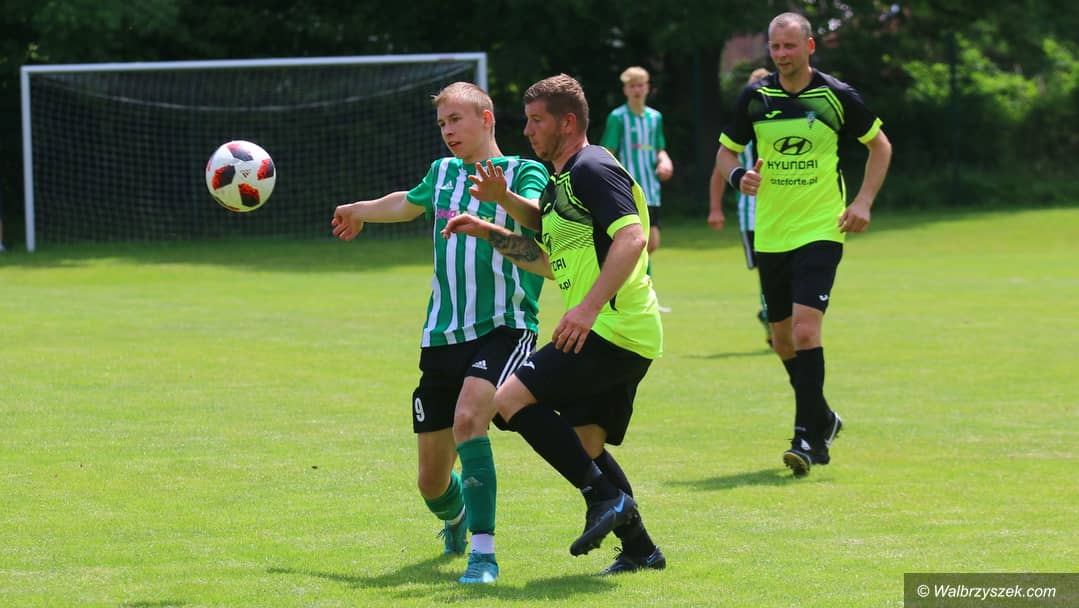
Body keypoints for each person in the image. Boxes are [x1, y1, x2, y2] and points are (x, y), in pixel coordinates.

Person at [443, 73, 666, 575]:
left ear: (567, 122)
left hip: (611, 327)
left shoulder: (592, 167)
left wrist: (587, 308)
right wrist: (494, 220)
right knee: (585, 444)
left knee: (508, 401)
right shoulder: (561, 184)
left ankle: (604, 498)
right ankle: (641, 549)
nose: (527, 130)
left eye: (536, 120)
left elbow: (632, 238)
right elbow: (546, 257)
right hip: (620, 330)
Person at [331, 82, 550, 584]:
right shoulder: (443, 172)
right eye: (442, 123)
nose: (448, 131)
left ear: (486, 119)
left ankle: (484, 555)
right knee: (431, 482)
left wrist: (502, 197)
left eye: (456, 120)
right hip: (441, 335)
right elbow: (407, 203)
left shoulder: (523, 171)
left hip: (504, 326)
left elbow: (540, 222)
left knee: (470, 420)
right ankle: (456, 516)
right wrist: (359, 210)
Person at [714, 12, 892, 477]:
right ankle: (823, 416)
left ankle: (806, 438)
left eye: (789, 46)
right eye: (775, 47)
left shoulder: (835, 95)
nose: (781, 54)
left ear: (810, 47)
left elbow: (880, 146)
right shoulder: (756, 97)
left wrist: (863, 202)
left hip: (821, 228)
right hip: (772, 232)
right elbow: (726, 153)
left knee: (806, 331)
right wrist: (738, 175)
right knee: (782, 340)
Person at [708, 68, 773, 347]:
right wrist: (715, 208)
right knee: (766, 270)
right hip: (751, 215)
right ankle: (771, 317)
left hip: (784, 211)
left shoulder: (782, 123)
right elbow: (719, 170)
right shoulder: (741, 129)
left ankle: (773, 314)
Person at [600, 66, 673, 311]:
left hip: (651, 189)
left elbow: (659, 149)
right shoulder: (618, 117)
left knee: (651, 243)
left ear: (648, 88)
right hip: (628, 191)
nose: (637, 90)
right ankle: (642, 296)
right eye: (632, 86)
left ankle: (637, 292)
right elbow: (608, 152)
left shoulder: (655, 118)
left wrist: (664, 161)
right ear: (625, 90)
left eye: (641, 85)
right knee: (639, 243)